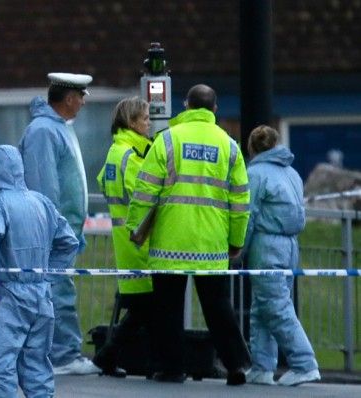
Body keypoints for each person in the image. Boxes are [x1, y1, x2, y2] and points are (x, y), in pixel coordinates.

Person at [126, 84, 251, 385]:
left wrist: (135, 228)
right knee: (218, 306)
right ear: (215, 109)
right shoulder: (229, 145)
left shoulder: (167, 140)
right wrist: (236, 241)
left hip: (171, 242)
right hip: (211, 243)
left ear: (186, 106)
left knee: (167, 308)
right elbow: (240, 202)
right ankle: (236, 365)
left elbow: (145, 190)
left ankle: (171, 368)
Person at [0, 145, 79, 397]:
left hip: (6, 296)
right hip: (41, 297)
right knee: (38, 369)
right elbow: (69, 242)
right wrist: (49, 275)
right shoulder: (41, 202)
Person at [18, 72, 99, 375]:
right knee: (56, 292)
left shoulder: (56, 129)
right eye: (80, 97)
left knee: (57, 291)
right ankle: (62, 355)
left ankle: (58, 352)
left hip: (62, 231)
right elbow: (45, 186)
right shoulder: (44, 131)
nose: (82, 103)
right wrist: (55, 229)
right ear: (68, 99)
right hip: (53, 232)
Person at [243, 125, 321, 386]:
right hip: (290, 246)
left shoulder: (254, 174)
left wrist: (238, 248)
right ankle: (262, 366)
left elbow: (249, 215)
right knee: (264, 306)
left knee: (275, 307)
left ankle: (304, 363)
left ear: (251, 147)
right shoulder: (292, 173)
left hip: (265, 246)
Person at [93, 97, 155, 378]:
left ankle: (107, 356)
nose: (149, 123)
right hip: (140, 240)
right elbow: (144, 198)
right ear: (131, 123)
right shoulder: (131, 156)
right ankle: (109, 355)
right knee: (148, 307)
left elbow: (102, 183)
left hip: (124, 239)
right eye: (145, 119)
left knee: (142, 308)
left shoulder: (115, 152)